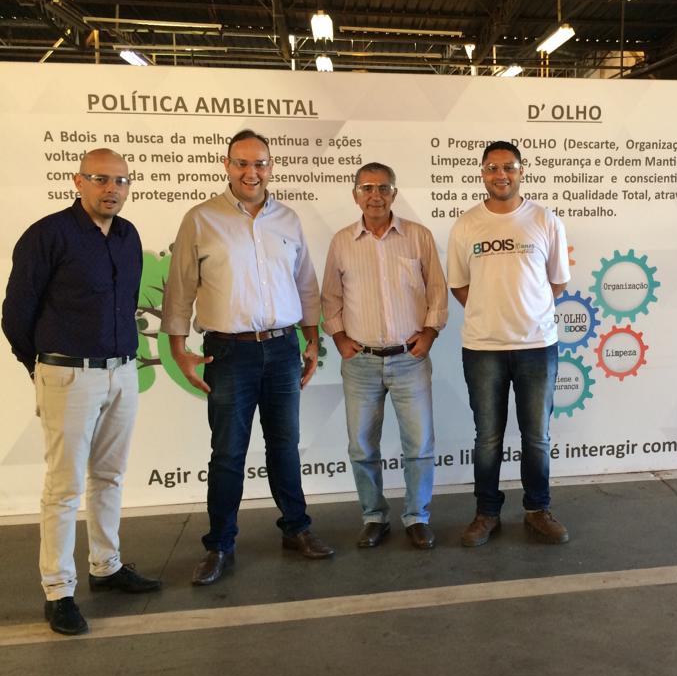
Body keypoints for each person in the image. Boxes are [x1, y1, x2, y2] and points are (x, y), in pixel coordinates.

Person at [162, 129, 334, 586]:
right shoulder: (201, 219)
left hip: (282, 348)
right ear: (227, 165)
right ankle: (219, 544)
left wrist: (311, 339)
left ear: (271, 167)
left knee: (285, 446)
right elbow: (180, 286)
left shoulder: (288, 219)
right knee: (228, 453)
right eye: (242, 163)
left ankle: (296, 528)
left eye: (259, 163)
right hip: (228, 352)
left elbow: (305, 283)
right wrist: (178, 349)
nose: (251, 172)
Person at [2, 149, 161, 636]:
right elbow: (16, 312)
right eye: (100, 179)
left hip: (122, 371)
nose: (112, 189)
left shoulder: (128, 235)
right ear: (78, 181)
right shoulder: (48, 234)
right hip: (68, 375)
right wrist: (40, 366)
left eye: (121, 181)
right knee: (64, 486)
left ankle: (106, 566)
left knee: (109, 476)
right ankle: (58, 589)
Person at [447, 141, 571, 547]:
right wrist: (491, 312)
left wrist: (525, 313)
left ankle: (537, 510)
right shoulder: (466, 225)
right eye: (492, 167)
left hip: (537, 346)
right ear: (482, 173)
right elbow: (460, 286)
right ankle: (487, 514)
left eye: (508, 167)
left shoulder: (545, 220)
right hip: (483, 347)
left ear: (521, 171)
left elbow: (557, 282)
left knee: (537, 436)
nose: (500, 174)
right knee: (488, 438)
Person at [321, 163, 448, 550]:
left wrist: (429, 333)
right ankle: (374, 516)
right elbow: (330, 297)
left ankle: (417, 516)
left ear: (394, 193)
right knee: (362, 447)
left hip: (410, 360)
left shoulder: (418, 236)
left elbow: (437, 291)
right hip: (360, 362)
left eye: (383, 188)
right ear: (355, 195)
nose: (375, 195)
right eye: (367, 188)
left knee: (419, 445)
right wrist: (339, 338)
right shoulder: (342, 242)